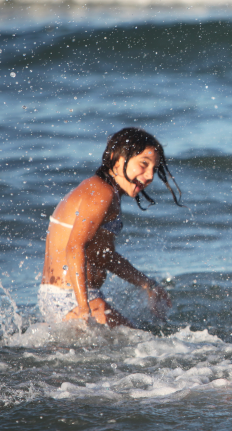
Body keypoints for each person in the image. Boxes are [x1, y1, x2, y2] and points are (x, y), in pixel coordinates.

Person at [39, 127, 182, 327]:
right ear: (117, 158)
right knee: (145, 347)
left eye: (154, 168)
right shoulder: (101, 193)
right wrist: (83, 307)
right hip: (74, 296)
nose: (150, 175)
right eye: (143, 164)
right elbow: (74, 248)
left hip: (63, 296)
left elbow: (103, 255)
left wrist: (147, 284)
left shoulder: (104, 192)